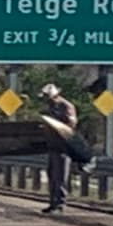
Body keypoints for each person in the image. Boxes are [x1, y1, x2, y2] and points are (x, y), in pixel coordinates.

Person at [39, 83, 77, 214]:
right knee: (52, 175)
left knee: (60, 176)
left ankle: (60, 203)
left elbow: (71, 125)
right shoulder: (49, 107)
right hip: (52, 146)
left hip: (62, 147)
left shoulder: (66, 106)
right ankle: (52, 202)